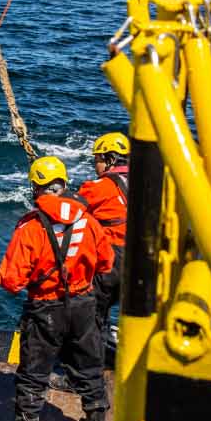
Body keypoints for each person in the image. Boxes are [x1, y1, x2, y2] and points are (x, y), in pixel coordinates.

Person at [0, 156, 114, 421]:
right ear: (64, 184)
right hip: (84, 304)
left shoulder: (30, 228)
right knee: (89, 367)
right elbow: (106, 262)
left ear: (37, 188)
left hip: (45, 309)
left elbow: (11, 281)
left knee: (34, 373)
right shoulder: (88, 221)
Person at [77, 131, 131, 359]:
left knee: (92, 315)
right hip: (141, 258)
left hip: (113, 259)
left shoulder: (98, 187)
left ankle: (86, 372)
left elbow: (72, 212)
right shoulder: (149, 180)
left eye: (97, 160)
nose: (95, 165)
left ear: (109, 159)